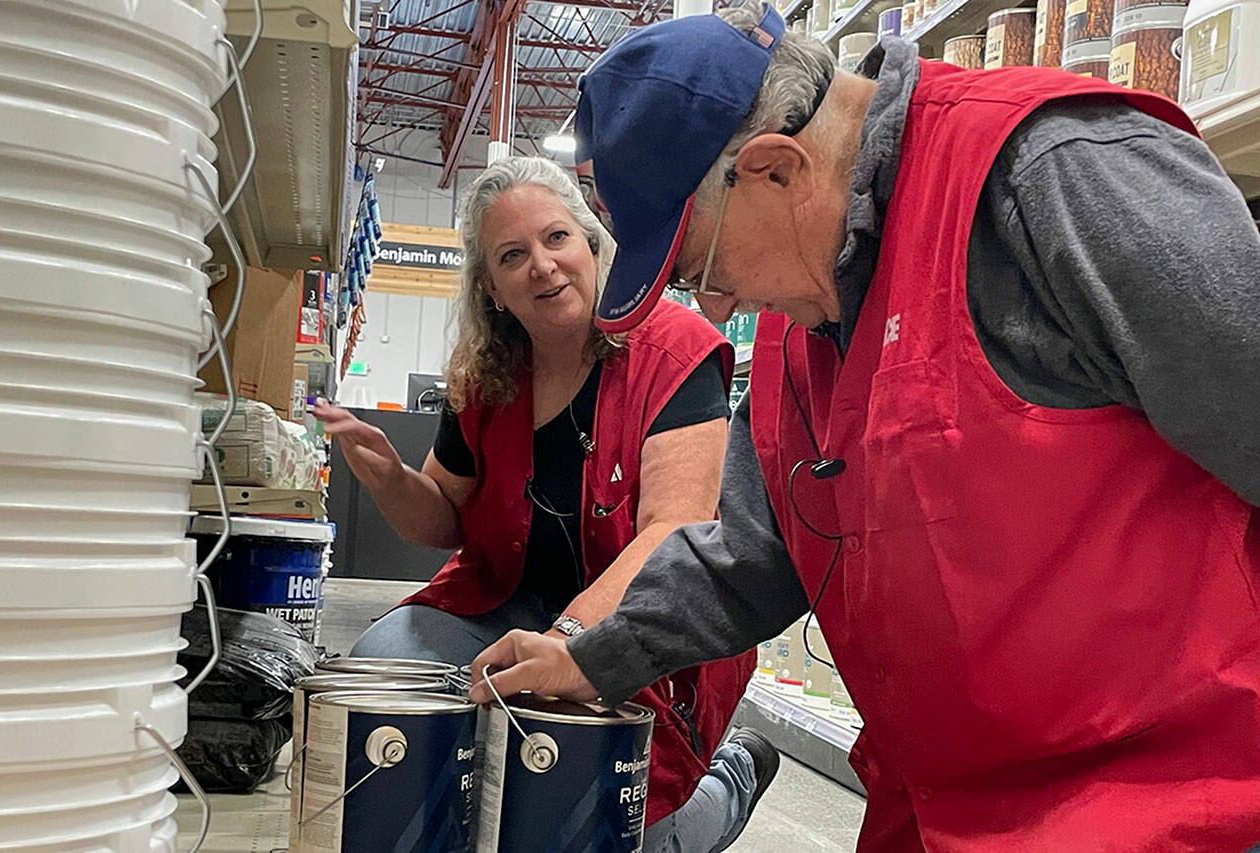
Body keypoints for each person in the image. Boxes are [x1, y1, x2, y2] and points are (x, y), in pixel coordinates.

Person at [469, 5, 1260, 850]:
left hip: (1171, 807)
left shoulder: (1054, 179)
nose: (717, 304)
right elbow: (752, 556)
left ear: (775, 169)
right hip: (935, 810)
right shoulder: (803, 317)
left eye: (703, 265)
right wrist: (589, 654)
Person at [314, 157, 777, 852]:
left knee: (608, 820)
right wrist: (387, 477)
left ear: (593, 244)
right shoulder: (486, 378)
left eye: (556, 238)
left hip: (646, 631)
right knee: (394, 674)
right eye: (512, 255)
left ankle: (731, 781)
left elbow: (674, 530)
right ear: (492, 288)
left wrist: (568, 645)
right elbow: (440, 517)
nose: (541, 264)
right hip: (504, 605)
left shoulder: (673, 352)